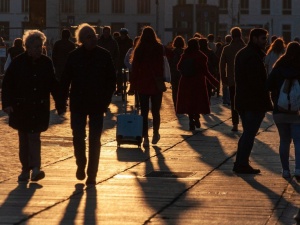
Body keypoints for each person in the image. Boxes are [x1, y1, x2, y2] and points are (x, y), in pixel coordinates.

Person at [1, 30, 65, 182]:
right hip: (21, 107)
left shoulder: (46, 63)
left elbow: (53, 84)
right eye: (35, 46)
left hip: (39, 107)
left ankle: (35, 168)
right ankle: (25, 169)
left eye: (40, 46)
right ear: (27, 47)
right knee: (24, 139)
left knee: (34, 137)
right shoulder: (18, 63)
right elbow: (8, 84)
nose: (39, 49)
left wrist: (60, 102)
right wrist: (7, 103)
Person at [60, 23, 116, 185]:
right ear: (81, 40)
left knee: (94, 139)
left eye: (93, 36)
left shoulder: (104, 55)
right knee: (78, 136)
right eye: (88, 37)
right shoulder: (74, 56)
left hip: (98, 103)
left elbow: (111, 79)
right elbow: (65, 80)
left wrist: (106, 99)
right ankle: (81, 163)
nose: (93, 39)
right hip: (78, 103)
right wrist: (61, 102)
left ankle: (92, 173)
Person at [233, 28, 273, 174]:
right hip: (252, 102)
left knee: (247, 133)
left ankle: (241, 162)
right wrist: (267, 89)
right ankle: (241, 163)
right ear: (254, 38)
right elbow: (255, 82)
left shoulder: (244, 53)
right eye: (263, 38)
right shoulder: (252, 56)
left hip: (244, 100)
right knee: (249, 134)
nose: (266, 41)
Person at [267, 42, 300, 179]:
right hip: (297, 112)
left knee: (284, 141)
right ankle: (298, 169)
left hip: (279, 110)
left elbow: (268, 85)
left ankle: (285, 170)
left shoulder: (279, 66)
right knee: (298, 141)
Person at [130, 26, 164, 147]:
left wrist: (132, 85)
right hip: (156, 83)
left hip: (142, 83)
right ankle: (156, 132)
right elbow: (162, 65)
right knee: (155, 111)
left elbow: (134, 69)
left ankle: (145, 137)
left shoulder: (139, 49)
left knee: (143, 112)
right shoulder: (159, 48)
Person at [176, 38, 219, 130]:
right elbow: (206, 72)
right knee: (197, 101)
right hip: (198, 82)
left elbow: (178, 67)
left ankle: (191, 120)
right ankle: (197, 116)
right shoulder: (201, 56)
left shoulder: (185, 55)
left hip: (186, 82)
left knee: (189, 102)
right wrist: (215, 82)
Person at [219, 27, 246, 131]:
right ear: (240, 35)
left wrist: (223, 78)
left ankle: (235, 124)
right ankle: (244, 123)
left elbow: (221, 65)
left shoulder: (227, 49)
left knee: (234, 103)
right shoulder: (245, 48)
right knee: (244, 102)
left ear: (231, 35)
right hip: (244, 81)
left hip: (231, 80)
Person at [169, 35, 186, 109]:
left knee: (174, 90)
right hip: (182, 74)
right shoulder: (184, 52)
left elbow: (169, 63)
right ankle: (181, 104)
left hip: (173, 74)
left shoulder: (172, 52)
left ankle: (176, 105)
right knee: (182, 90)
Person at [115, 28, 133, 96]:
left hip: (126, 59)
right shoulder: (117, 40)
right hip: (119, 59)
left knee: (127, 73)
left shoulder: (129, 41)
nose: (122, 36)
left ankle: (127, 85)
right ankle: (119, 87)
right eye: (122, 34)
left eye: (124, 35)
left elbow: (131, 50)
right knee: (119, 74)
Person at [217, 34, 232, 106]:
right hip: (230, 69)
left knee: (224, 84)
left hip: (224, 68)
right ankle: (229, 99)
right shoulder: (232, 47)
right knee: (230, 85)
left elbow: (218, 56)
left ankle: (225, 99)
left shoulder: (222, 47)